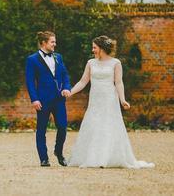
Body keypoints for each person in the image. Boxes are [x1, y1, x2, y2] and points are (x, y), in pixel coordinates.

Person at [65, 35, 154, 168]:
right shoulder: (91, 63)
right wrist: (70, 92)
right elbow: (83, 81)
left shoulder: (115, 63)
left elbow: (118, 83)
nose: (93, 50)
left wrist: (122, 99)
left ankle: (105, 158)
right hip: (95, 99)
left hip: (109, 99)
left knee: (108, 126)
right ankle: (92, 157)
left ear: (102, 48)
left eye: (94, 47)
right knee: (93, 124)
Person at [25, 31, 71, 167]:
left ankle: (58, 151)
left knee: (62, 127)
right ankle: (43, 158)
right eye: (52, 42)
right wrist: (34, 99)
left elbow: (65, 75)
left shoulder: (58, 57)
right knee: (41, 130)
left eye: (55, 42)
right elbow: (29, 81)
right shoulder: (32, 59)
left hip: (59, 99)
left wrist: (67, 87)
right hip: (43, 100)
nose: (55, 44)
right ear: (44, 43)